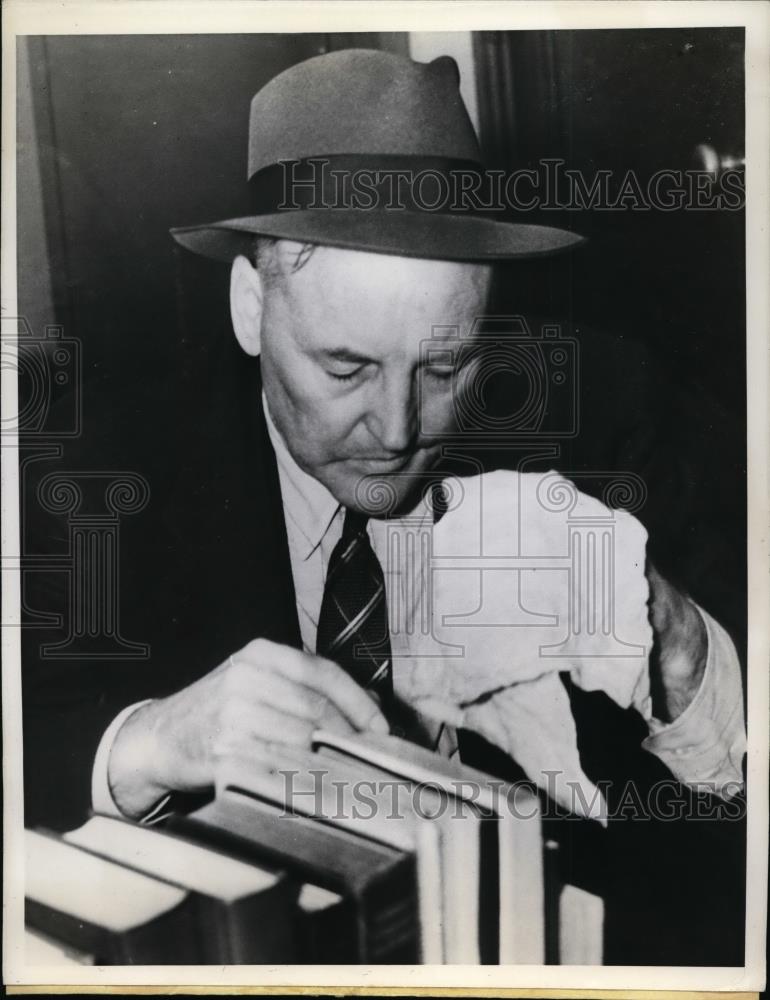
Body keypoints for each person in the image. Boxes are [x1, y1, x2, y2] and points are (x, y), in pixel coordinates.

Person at [22, 49, 746, 964]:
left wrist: (671, 633)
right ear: (251, 307)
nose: (398, 429)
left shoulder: (602, 413)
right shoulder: (98, 476)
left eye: (446, 368)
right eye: (346, 367)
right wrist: (150, 740)